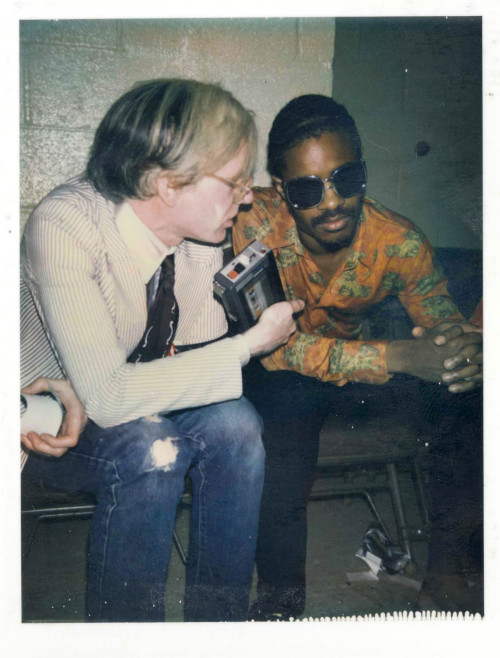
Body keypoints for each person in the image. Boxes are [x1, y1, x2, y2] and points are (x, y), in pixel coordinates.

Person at [20, 78, 303, 623]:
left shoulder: (198, 234)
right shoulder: (65, 225)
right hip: (42, 416)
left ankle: (218, 624)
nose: (247, 197)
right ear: (167, 184)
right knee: (154, 448)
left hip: (117, 395)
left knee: (237, 424)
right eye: (235, 182)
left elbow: (182, 362)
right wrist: (248, 345)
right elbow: (106, 396)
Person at [232, 94, 483, 620]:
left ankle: (447, 579)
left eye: (346, 180)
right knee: (283, 412)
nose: (330, 203)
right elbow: (277, 351)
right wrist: (397, 356)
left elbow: (440, 324)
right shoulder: (253, 221)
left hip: (352, 369)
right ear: (281, 190)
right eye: (306, 189)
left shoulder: (400, 241)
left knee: (464, 395)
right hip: (280, 366)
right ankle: (281, 607)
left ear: (363, 172)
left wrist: (459, 352)